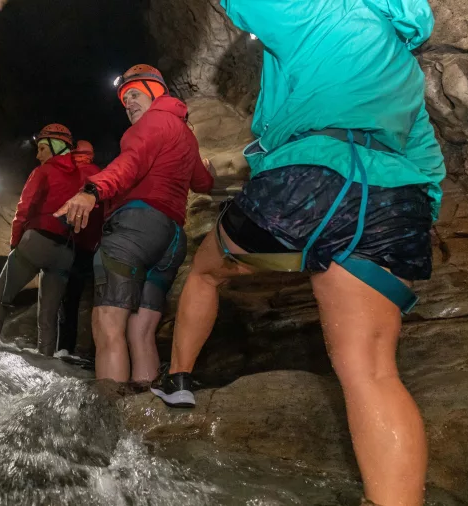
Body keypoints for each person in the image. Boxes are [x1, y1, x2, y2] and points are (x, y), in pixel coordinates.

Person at [151, 1, 445, 505]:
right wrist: (402, 219)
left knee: (205, 270)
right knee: (371, 370)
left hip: (308, 182)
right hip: (391, 200)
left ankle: (178, 378)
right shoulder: (402, 64)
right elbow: (428, 163)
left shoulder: (322, 10)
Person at [55, 65, 214, 384]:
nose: (128, 103)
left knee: (107, 324)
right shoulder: (185, 134)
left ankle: (110, 421)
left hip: (135, 229)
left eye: (135, 94)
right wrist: (210, 171)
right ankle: (142, 418)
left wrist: (91, 191)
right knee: (141, 332)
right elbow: (204, 182)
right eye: (124, 99)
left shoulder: (153, 122)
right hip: (171, 240)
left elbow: (129, 163)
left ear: (156, 93)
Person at [0, 125, 99, 356]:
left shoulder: (44, 171)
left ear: (57, 147)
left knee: (1, 299)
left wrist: (15, 242)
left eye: (43, 148)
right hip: (66, 250)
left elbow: (24, 208)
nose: (38, 154)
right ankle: (46, 359)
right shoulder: (84, 176)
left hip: (36, 242)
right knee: (49, 313)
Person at [57, 140, 103, 356]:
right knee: (101, 302)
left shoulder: (74, 175)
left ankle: (64, 348)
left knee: (70, 300)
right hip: (98, 247)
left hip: (76, 244)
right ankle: (96, 354)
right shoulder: (101, 175)